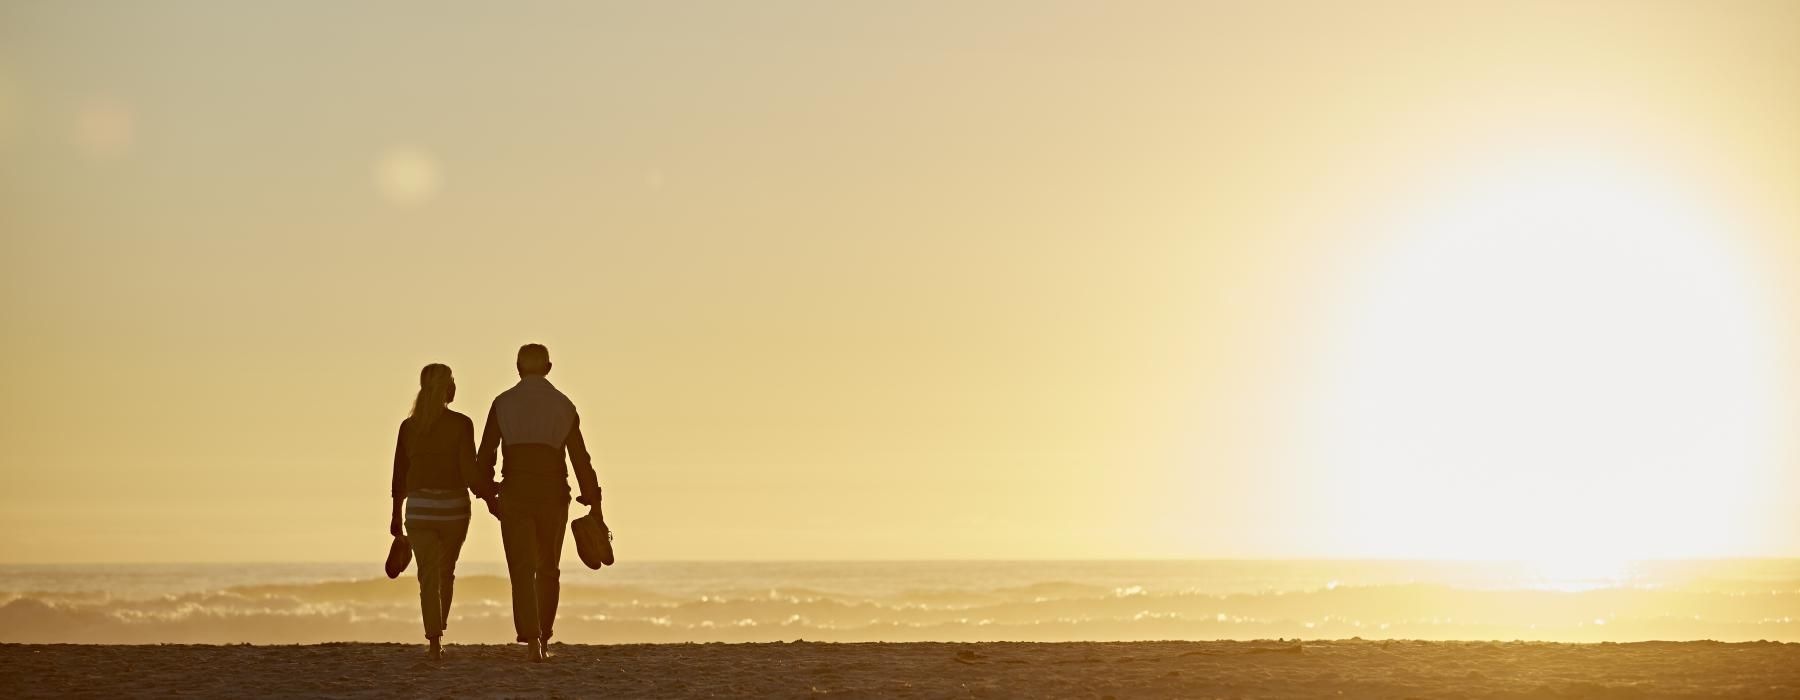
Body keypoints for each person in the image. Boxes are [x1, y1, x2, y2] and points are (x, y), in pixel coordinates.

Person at [476, 343, 601, 662]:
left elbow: (486, 454)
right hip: (553, 494)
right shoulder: (564, 405)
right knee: (549, 568)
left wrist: (488, 493)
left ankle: (531, 639)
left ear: (518, 367)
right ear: (548, 368)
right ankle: (544, 637)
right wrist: (592, 497)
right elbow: (579, 457)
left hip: (516, 492)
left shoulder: (502, 403)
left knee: (521, 568)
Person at [389, 363, 483, 660]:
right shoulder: (461, 424)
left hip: (418, 510)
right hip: (454, 509)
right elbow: (469, 469)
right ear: (448, 389)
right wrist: (490, 497)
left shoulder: (409, 426)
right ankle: (439, 626)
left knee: (427, 575)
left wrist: (395, 514)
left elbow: (399, 475)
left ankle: (434, 640)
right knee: (446, 572)